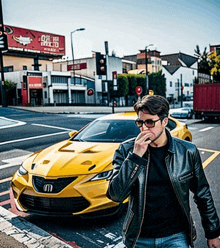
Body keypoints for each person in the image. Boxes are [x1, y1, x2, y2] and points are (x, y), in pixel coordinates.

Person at [107, 95, 220, 248]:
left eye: (149, 122)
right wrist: (135, 157)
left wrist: (212, 233)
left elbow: (202, 193)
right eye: (140, 122)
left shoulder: (187, 151)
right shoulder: (126, 150)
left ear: (164, 121)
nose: (144, 128)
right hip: (139, 237)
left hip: (176, 236)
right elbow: (116, 195)